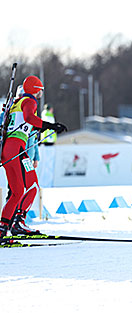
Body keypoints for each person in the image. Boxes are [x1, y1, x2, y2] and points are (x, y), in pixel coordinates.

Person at [0, 76, 67, 238]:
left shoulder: (16, 103)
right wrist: (50, 125)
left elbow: (21, 123)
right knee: (32, 186)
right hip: (17, 149)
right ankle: (18, 222)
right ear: (36, 90)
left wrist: (39, 128)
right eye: (40, 90)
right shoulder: (30, 102)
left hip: (11, 150)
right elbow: (29, 118)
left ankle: (3, 228)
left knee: (17, 191)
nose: (40, 94)